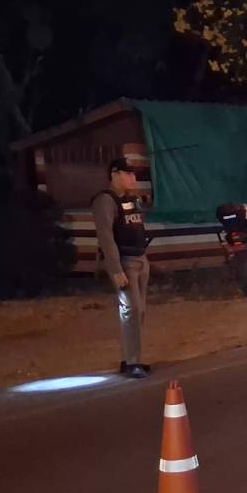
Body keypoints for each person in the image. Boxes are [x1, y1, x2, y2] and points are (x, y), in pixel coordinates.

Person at [92, 158, 151, 379]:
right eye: (128, 174)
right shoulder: (105, 200)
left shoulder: (131, 199)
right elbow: (106, 237)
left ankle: (132, 358)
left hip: (140, 258)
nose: (133, 178)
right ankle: (133, 362)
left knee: (139, 311)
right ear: (114, 174)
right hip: (125, 262)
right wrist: (116, 269)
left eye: (134, 174)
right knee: (131, 311)